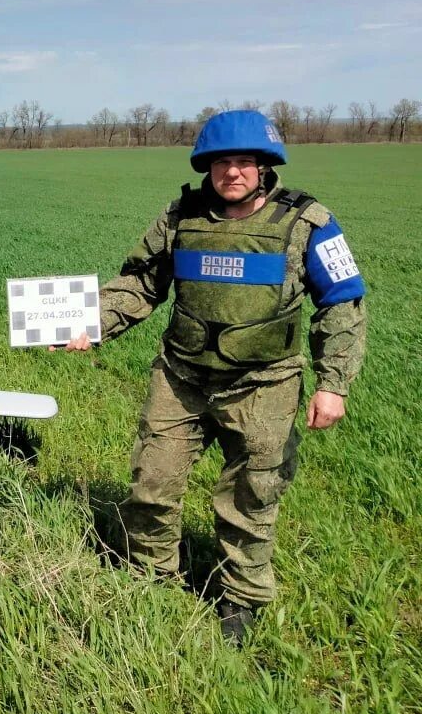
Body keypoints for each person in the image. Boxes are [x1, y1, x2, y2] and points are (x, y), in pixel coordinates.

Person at [54, 109, 367, 643]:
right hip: (182, 377)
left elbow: (342, 303)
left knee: (252, 498)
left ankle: (240, 599)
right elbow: (140, 283)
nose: (234, 172)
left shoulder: (307, 222)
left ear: (265, 167)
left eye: (246, 162)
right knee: (152, 484)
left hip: (265, 383)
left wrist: (333, 383)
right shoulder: (182, 216)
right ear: (208, 166)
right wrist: (91, 324)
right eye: (223, 162)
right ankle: (151, 577)